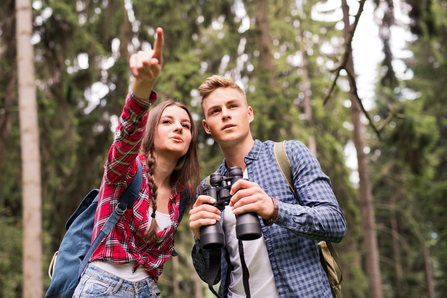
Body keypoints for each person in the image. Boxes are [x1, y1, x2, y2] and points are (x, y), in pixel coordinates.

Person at [189, 75, 347, 298]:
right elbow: (211, 276)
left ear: (249, 113)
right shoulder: (208, 188)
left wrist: (275, 209)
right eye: (215, 111)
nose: (225, 114)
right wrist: (200, 239)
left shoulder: (289, 154)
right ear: (207, 127)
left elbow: (335, 223)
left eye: (232, 106)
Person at [73, 28, 201, 297]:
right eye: (167, 122)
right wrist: (142, 87)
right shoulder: (126, 170)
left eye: (186, 125)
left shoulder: (183, 195)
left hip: (148, 291)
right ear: (151, 130)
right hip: (102, 286)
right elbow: (127, 136)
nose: (178, 128)